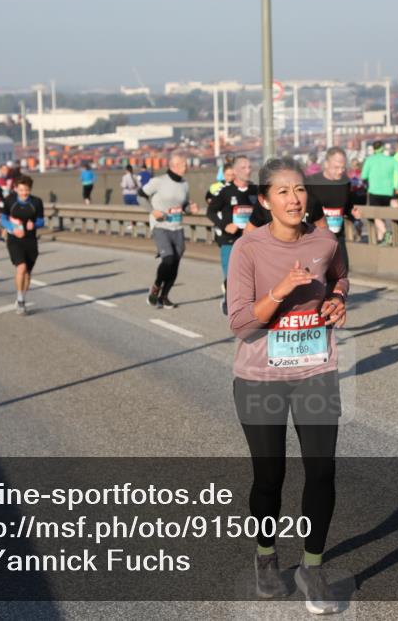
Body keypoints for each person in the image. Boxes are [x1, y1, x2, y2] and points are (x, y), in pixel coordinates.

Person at [226, 156, 348, 615]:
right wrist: (280, 290)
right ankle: (266, 556)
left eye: (299, 190)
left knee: (321, 471)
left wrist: (337, 299)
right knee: (269, 476)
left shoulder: (325, 241)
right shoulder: (248, 250)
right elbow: (240, 324)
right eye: (282, 192)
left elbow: (340, 275)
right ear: (264, 200)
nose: (294, 199)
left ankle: (312, 567)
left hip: (315, 371)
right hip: (260, 377)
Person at [138, 152, 199, 309]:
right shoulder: (158, 182)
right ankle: (156, 288)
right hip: (160, 226)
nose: (187, 166)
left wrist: (190, 208)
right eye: (184, 164)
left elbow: (183, 205)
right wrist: (152, 211)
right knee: (168, 259)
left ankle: (164, 296)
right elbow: (141, 196)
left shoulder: (185, 184)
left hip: (177, 226)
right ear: (174, 166)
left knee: (175, 263)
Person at [207, 155, 257, 314]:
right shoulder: (226, 192)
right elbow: (211, 211)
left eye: (249, 167)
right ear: (234, 171)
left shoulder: (255, 191)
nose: (248, 170)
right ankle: (229, 298)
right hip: (230, 240)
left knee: (251, 276)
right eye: (243, 167)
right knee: (232, 274)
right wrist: (224, 225)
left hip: (250, 241)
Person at [305, 147, 360, 271]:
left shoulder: (345, 182)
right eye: (336, 167)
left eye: (343, 167)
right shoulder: (311, 182)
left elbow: (347, 206)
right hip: (316, 239)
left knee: (342, 272)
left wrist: (353, 215)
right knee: (318, 277)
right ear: (326, 164)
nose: (340, 171)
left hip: (337, 238)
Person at [1, 176, 45, 315]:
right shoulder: (10, 201)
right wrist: (12, 228)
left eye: (26, 190)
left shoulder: (36, 202)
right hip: (14, 239)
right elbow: (2, 219)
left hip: (30, 240)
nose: (24, 193)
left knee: (28, 273)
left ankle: (22, 296)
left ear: (30, 189)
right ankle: (20, 301)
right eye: (21, 190)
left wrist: (35, 224)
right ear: (16, 189)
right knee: (21, 267)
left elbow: (41, 220)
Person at [360, 140, 398, 245]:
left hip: (374, 191)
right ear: (383, 148)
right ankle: (380, 239)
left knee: (376, 216)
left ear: (373, 149)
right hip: (388, 192)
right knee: (382, 215)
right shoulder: (391, 160)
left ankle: (385, 233)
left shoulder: (369, 160)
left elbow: (363, 176)